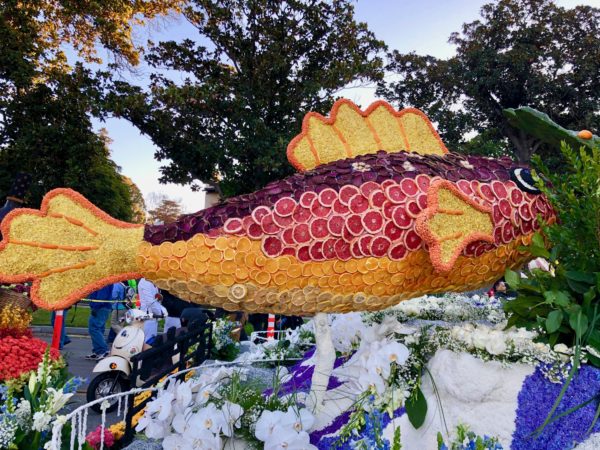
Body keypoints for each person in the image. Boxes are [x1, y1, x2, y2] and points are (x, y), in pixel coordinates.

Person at [85, 285, 113, 360]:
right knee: (99, 329)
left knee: (94, 329)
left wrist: (95, 306)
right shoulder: (106, 281)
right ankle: (98, 351)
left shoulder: (103, 282)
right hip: (103, 307)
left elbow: (101, 297)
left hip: (100, 308)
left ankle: (103, 351)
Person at [138, 278, 167, 343]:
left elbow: (155, 298)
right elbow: (150, 302)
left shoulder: (152, 281)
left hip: (158, 315)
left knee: (159, 338)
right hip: (149, 316)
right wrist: (160, 313)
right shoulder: (145, 282)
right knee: (149, 340)